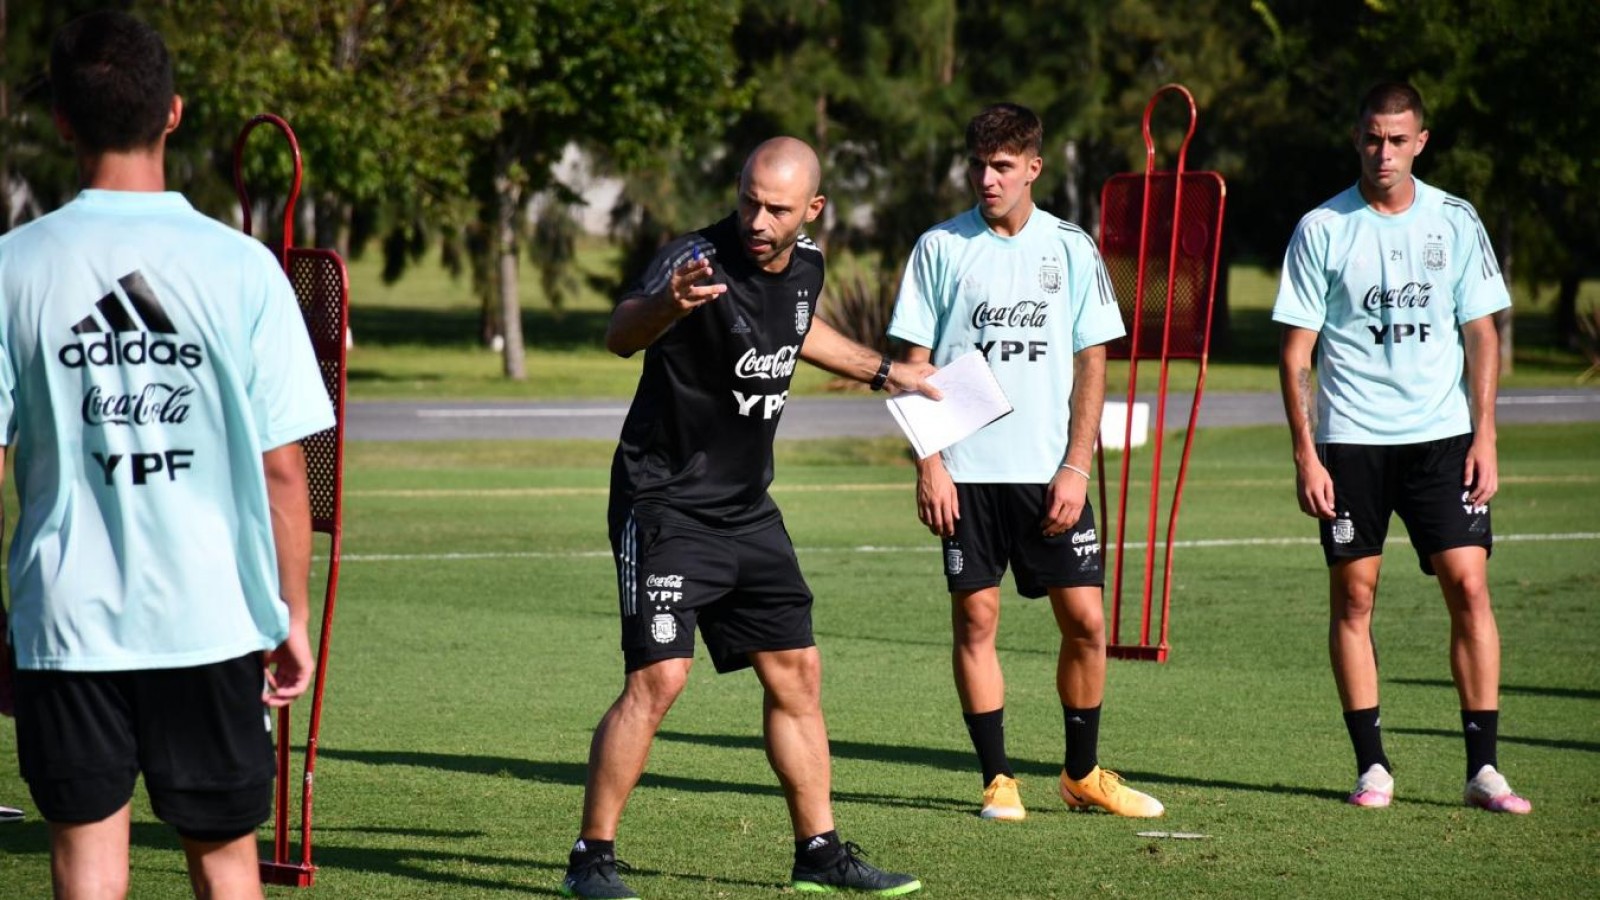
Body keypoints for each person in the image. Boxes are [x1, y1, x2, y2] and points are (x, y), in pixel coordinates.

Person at [0, 10, 335, 897]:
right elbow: (281, 471)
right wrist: (290, 616)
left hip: (66, 620)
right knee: (224, 862)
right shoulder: (245, 269)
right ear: (175, 112)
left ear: (64, 121)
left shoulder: (11, 266)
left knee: (86, 864)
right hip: (213, 616)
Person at [559, 137, 934, 899]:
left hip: (747, 508)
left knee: (797, 671)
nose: (759, 220)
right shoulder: (692, 260)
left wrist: (889, 372)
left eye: (778, 209)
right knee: (659, 678)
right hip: (663, 501)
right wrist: (668, 305)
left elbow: (796, 333)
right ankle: (590, 859)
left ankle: (820, 853)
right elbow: (620, 331)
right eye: (749, 201)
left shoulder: (808, 266)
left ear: (812, 211)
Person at [887, 103, 1164, 822]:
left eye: (1003, 166)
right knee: (976, 622)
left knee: (1086, 622)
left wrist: (1076, 464)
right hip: (966, 475)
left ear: (1033, 168)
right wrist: (929, 463)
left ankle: (1082, 774)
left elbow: (1093, 357)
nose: (988, 178)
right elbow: (912, 367)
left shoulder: (1071, 248)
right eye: (978, 165)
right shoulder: (940, 247)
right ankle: (998, 779)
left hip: (1049, 476)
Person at [1272, 82, 1529, 814]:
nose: (1383, 152)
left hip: (1444, 441)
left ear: (1421, 141)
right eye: (1371, 138)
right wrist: (1305, 453)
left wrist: (1486, 434)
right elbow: (1296, 350)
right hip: (1351, 442)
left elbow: (1480, 332)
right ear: (1357, 140)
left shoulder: (1455, 219)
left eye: (1397, 139)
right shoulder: (1322, 228)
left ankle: (1484, 770)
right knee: (1354, 596)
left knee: (1469, 586)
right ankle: (1373, 765)